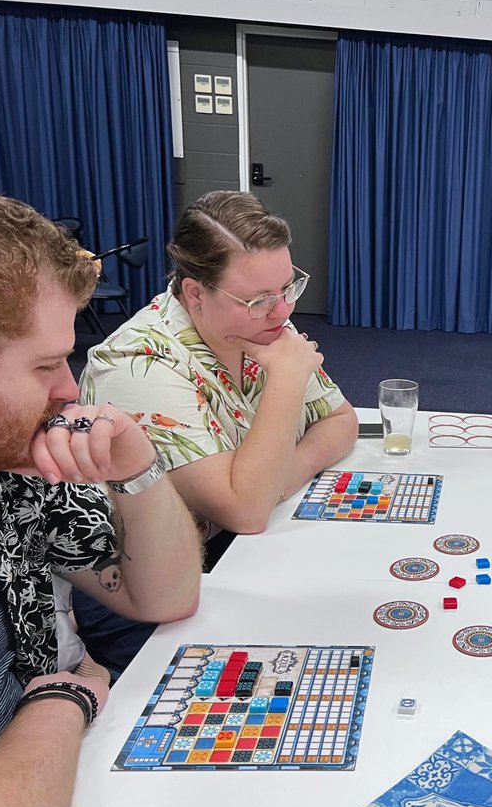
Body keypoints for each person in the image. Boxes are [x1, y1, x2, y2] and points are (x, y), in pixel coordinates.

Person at [0, 181, 202, 807]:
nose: (69, 389)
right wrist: (63, 699)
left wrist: (135, 465)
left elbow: (165, 596)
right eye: (46, 365)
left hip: (54, 788)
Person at [81, 190, 357, 543]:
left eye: (288, 288)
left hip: (257, 543)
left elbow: (340, 420)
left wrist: (277, 479)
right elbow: (246, 512)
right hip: (186, 566)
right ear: (195, 293)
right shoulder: (135, 363)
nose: (284, 311)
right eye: (259, 299)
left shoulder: (261, 323)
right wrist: (287, 379)